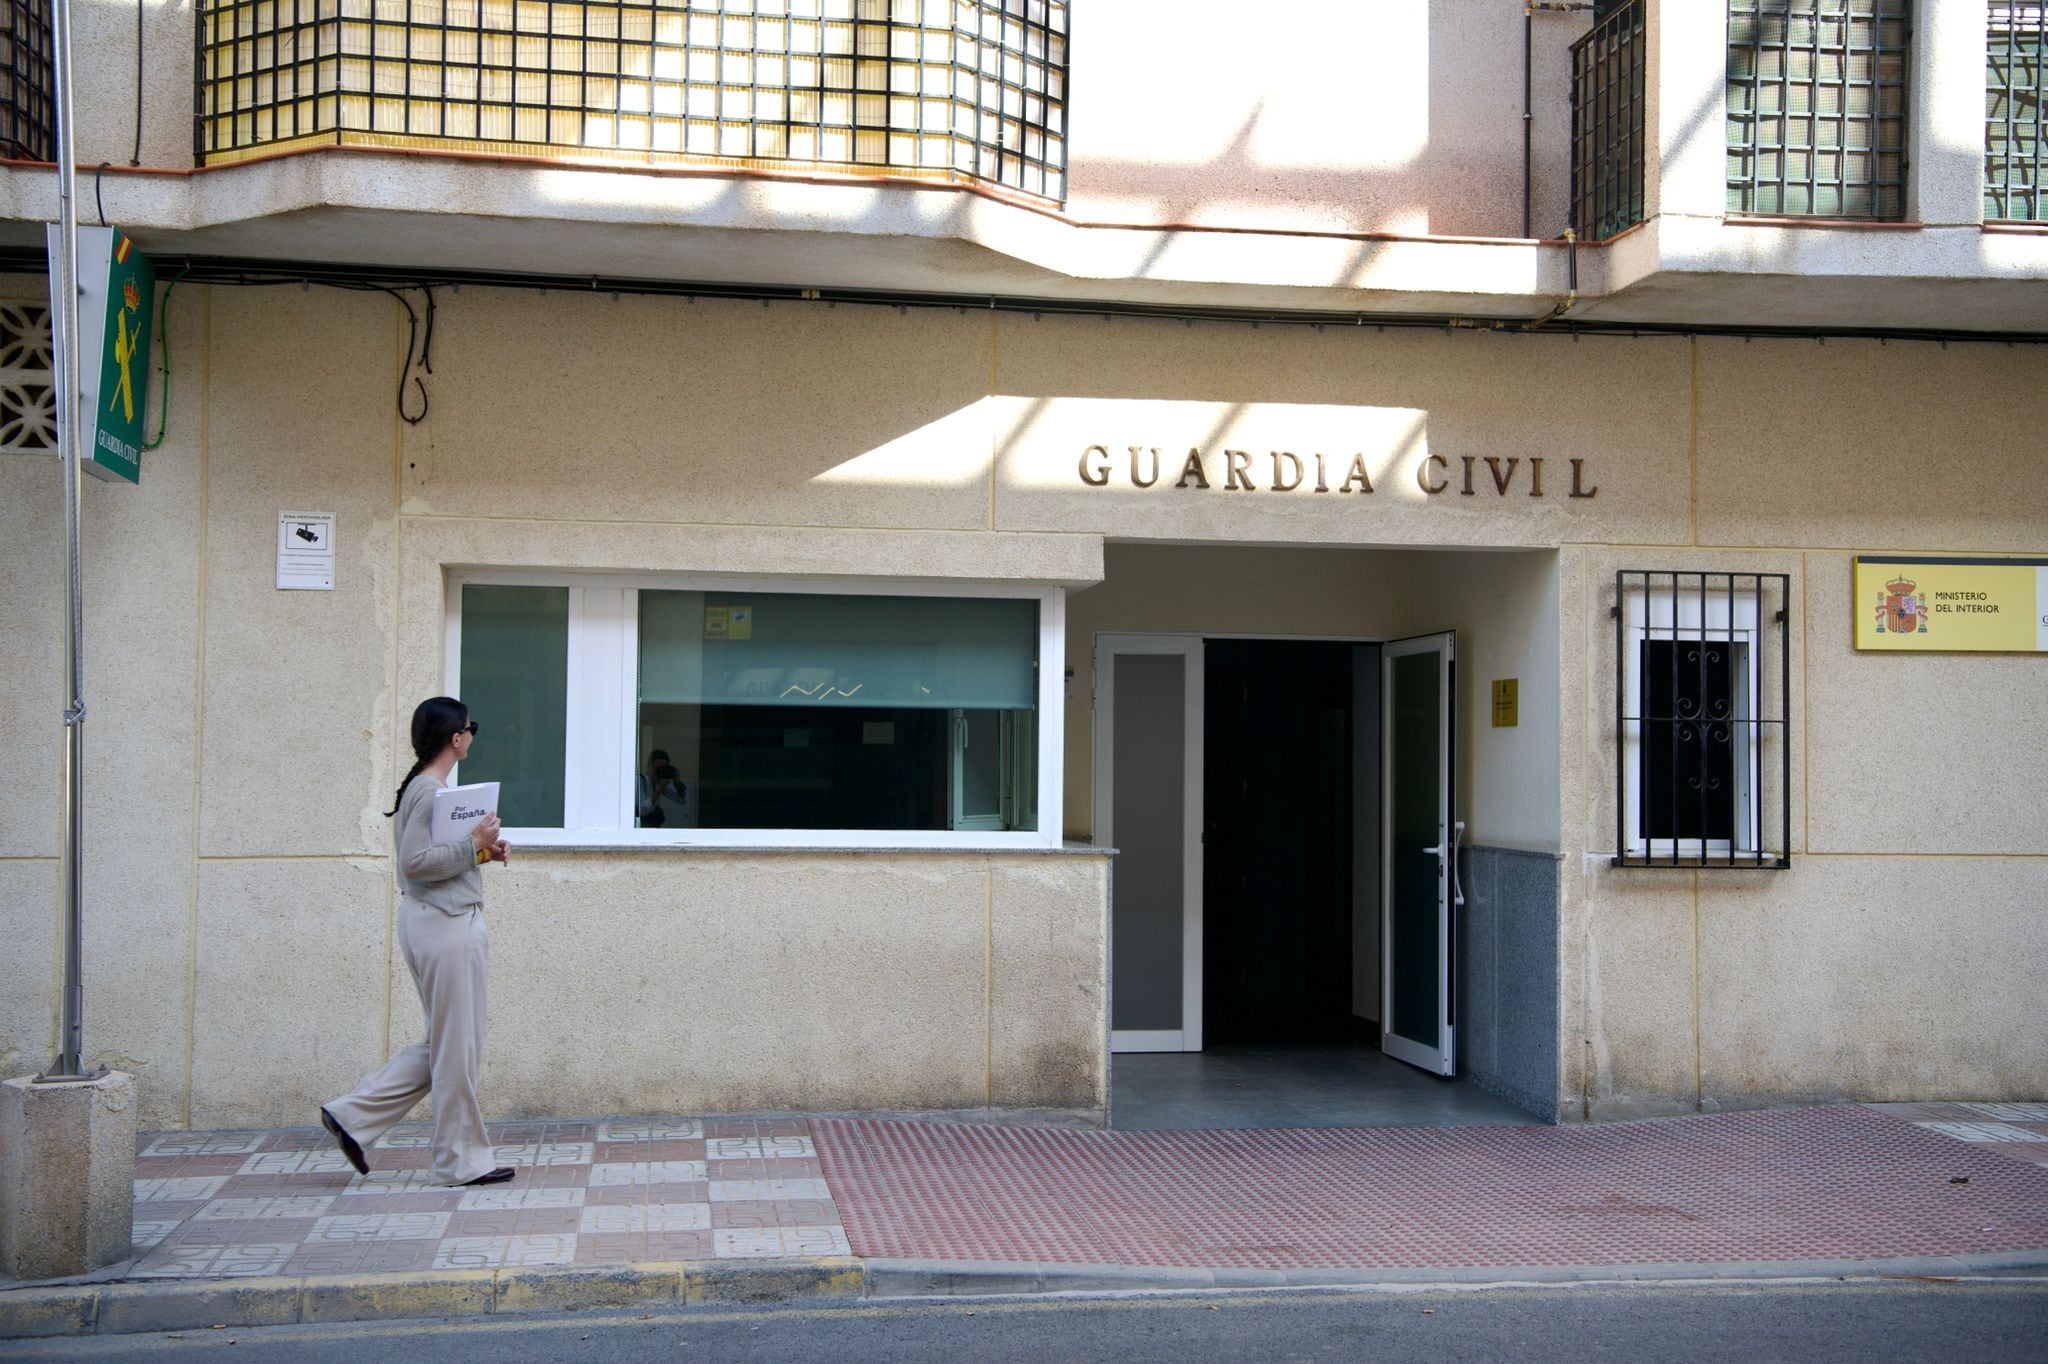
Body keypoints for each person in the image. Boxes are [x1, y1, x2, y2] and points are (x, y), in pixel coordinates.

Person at [319, 697, 514, 1187]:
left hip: (436, 920)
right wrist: (473, 844)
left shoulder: (425, 789)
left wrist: (484, 851)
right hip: (445, 925)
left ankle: (352, 1117)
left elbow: (436, 862)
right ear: (456, 737)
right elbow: (415, 864)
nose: (472, 735)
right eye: (472, 727)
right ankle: (459, 1161)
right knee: (456, 1049)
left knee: (446, 1044)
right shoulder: (428, 792)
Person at [636, 748, 671, 827]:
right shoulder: (640, 780)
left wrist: (677, 780)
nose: (660, 770)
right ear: (650, 764)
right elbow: (642, 810)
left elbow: (681, 799)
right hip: (643, 828)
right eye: (658, 767)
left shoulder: (658, 782)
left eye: (663, 768)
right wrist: (658, 792)